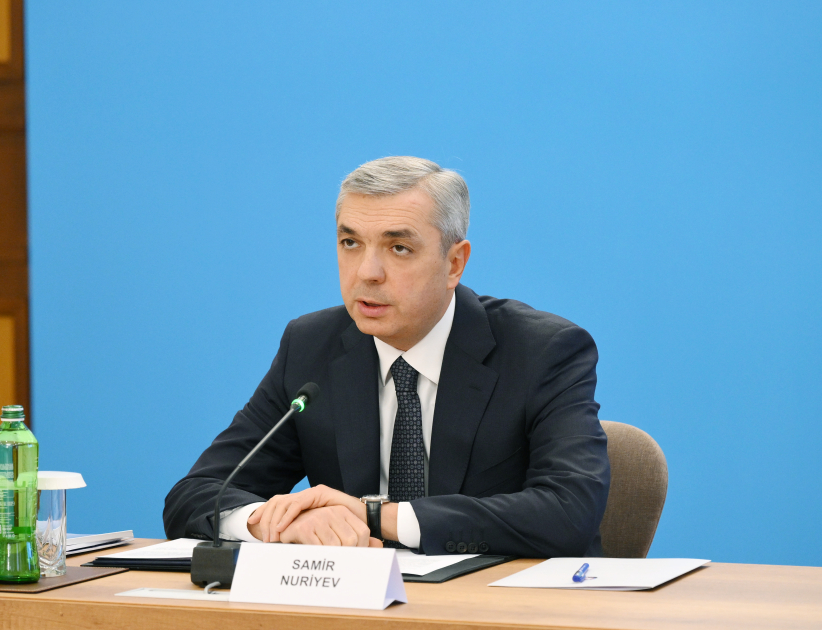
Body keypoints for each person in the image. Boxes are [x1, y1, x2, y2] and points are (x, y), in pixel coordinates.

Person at [163, 156, 610, 557]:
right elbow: (197, 495)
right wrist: (280, 521)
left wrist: (374, 516)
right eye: (350, 243)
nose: (367, 273)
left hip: (496, 604)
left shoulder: (542, 351)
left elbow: (570, 513)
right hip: (355, 608)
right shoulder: (311, 346)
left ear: (454, 263)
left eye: (399, 248)